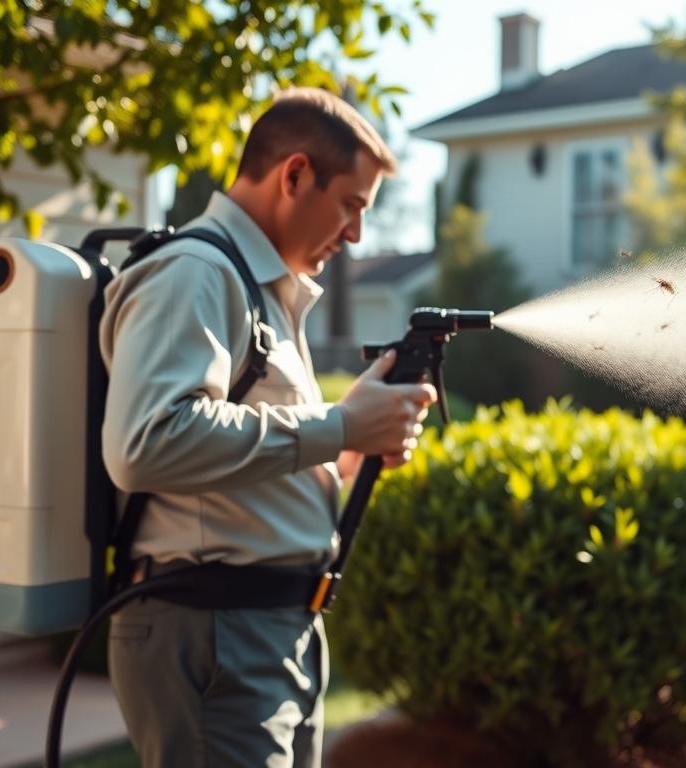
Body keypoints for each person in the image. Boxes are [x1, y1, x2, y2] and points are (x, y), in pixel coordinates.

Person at [99, 86, 437, 767]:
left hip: (267, 630)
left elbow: (239, 473)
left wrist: (350, 449)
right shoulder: (196, 273)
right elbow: (147, 442)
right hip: (216, 632)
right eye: (352, 205)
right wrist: (339, 426)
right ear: (295, 175)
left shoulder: (261, 290)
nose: (357, 235)